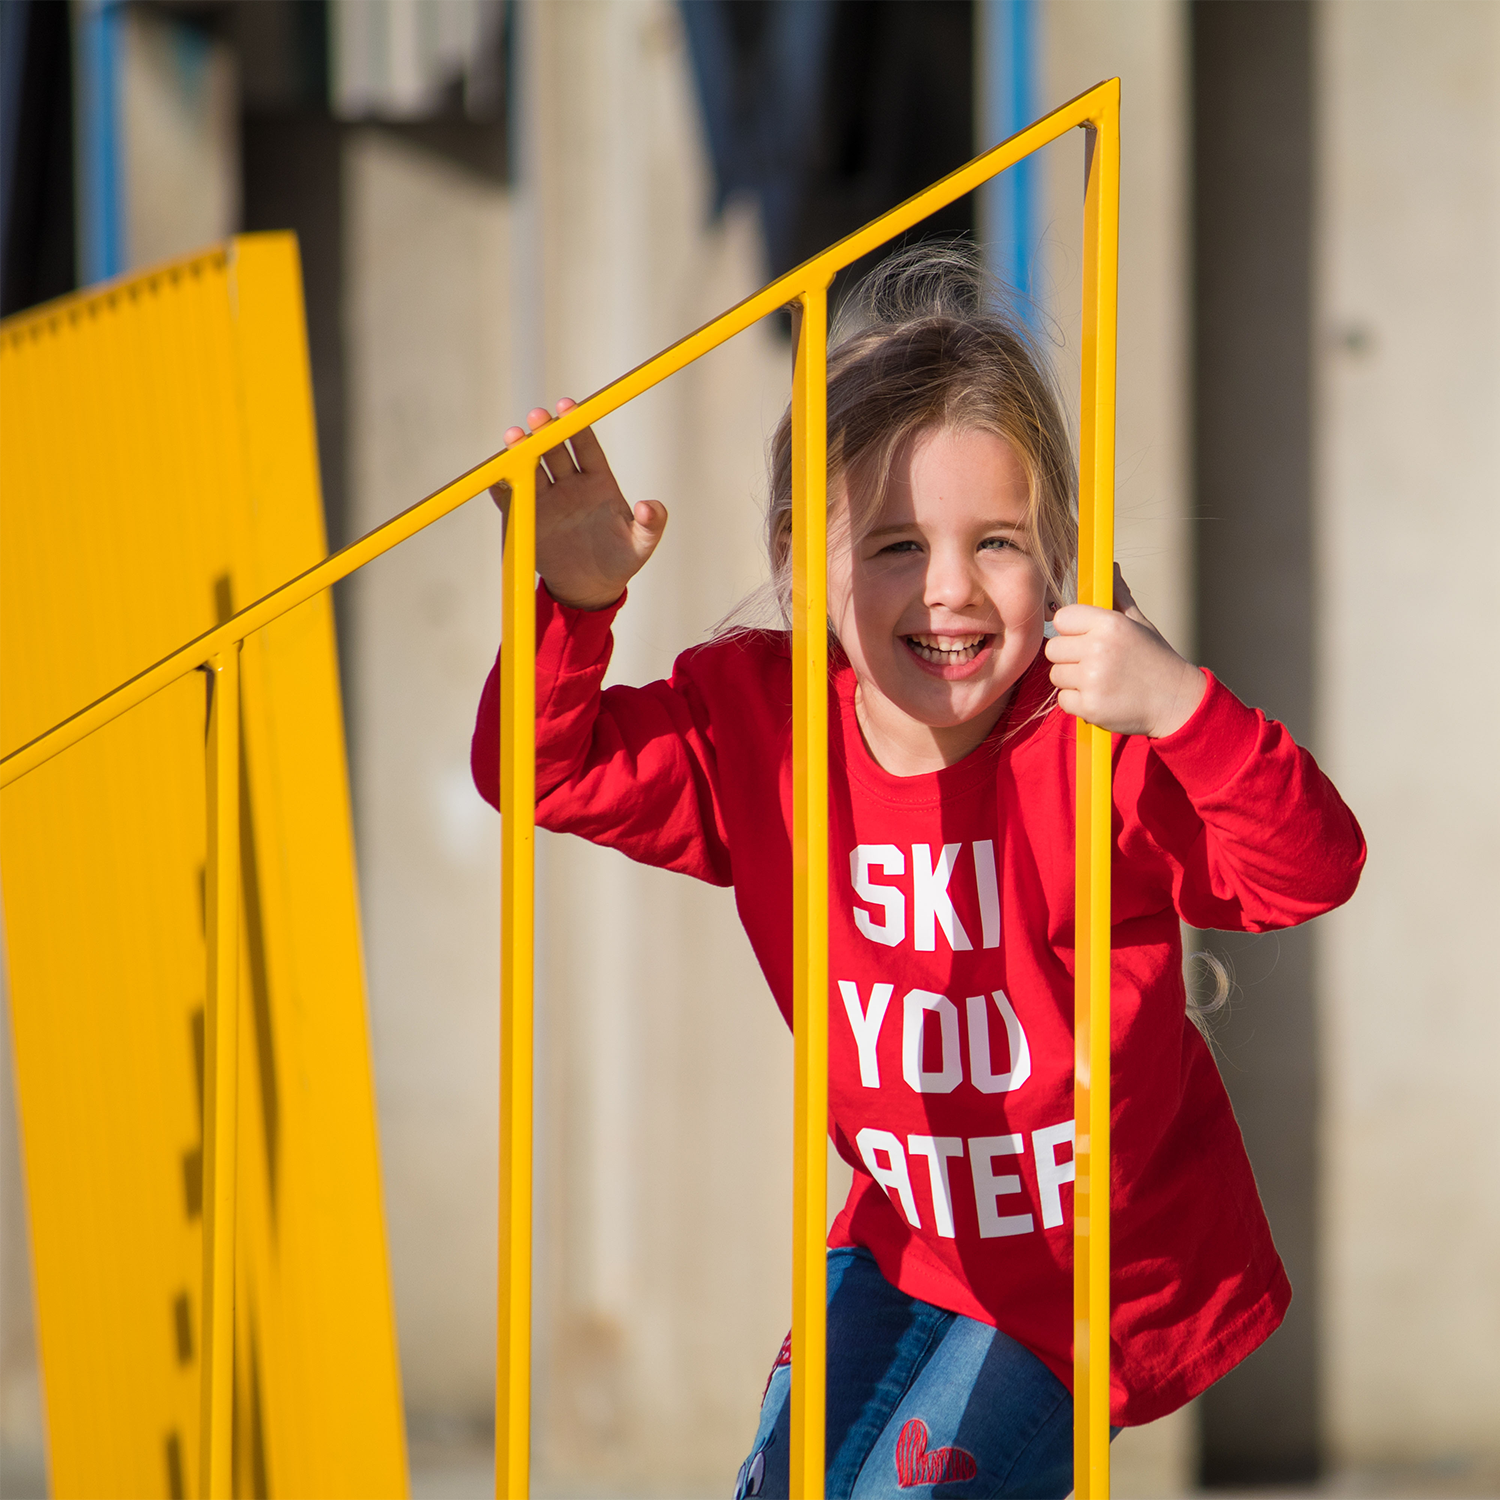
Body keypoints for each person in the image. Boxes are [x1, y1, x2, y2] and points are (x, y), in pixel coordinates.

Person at [470, 248, 1365, 1500]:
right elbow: (542, 768)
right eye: (894, 543)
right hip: (903, 1243)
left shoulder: (1093, 737)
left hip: (1082, 1284)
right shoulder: (762, 723)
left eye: (996, 541)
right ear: (804, 551)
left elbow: (1307, 872)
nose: (948, 591)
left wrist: (1181, 706)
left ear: (1057, 554)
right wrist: (570, 603)